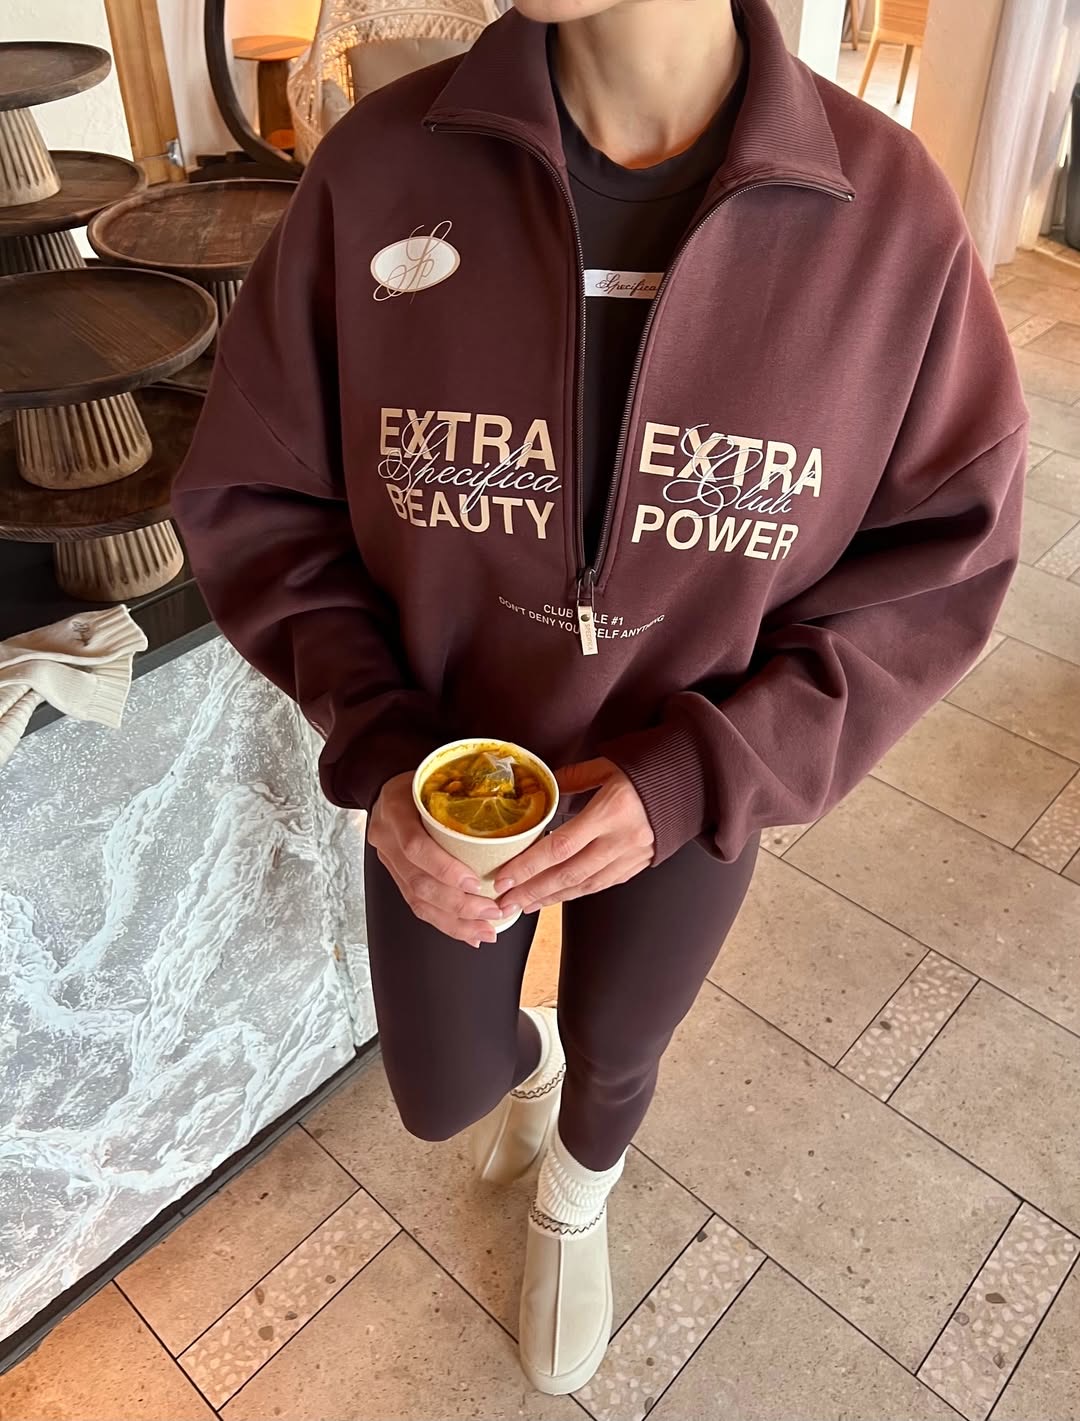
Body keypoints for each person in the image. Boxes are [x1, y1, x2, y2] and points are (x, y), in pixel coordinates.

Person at [173, 0, 1026, 1394]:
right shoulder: (378, 169)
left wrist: (712, 769)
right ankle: (531, 1070)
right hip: (445, 770)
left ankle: (576, 1196)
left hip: (694, 771)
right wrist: (380, 742)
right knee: (442, 1088)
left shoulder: (887, 220)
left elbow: (940, 565)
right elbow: (262, 496)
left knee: (623, 1047)